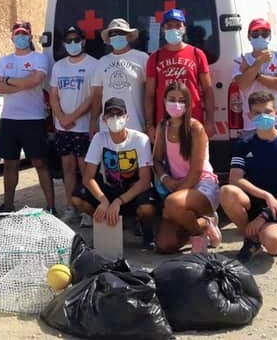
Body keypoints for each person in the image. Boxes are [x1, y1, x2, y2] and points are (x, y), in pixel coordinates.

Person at [220, 91, 277, 262]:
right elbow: (235, 179)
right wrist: (266, 196)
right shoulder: (243, 145)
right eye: (257, 113)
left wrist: (264, 216)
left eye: (267, 112)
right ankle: (251, 239)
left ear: (276, 113)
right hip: (255, 204)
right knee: (227, 191)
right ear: (250, 115)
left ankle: (273, 236)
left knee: (273, 242)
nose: (263, 116)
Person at [0, 20, 55, 217]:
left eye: (24, 33)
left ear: (30, 36)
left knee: (39, 163)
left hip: (33, 119)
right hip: (10, 119)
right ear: (12, 37)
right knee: (10, 164)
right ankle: (8, 205)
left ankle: (51, 206)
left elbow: (35, 81)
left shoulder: (39, 58)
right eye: (17, 33)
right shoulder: (4, 60)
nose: (20, 37)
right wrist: (23, 83)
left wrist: (8, 80)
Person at [72, 97, 157, 248]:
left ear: (127, 117)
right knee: (78, 198)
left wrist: (119, 200)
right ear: (104, 119)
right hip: (109, 189)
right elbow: (88, 177)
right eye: (110, 115)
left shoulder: (140, 140)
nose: (115, 118)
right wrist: (103, 200)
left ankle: (146, 230)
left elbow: (145, 180)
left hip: (132, 192)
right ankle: (106, 224)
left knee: (147, 207)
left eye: (119, 114)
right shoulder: (99, 138)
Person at [152, 82, 221, 254]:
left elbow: (196, 171)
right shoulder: (163, 127)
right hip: (176, 187)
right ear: (164, 100)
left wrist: (174, 195)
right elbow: (157, 160)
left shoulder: (195, 128)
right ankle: (205, 223)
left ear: (188, 104)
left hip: (202, 185)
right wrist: (165, 179)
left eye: (181, 100)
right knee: (164, 244)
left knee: (172, 203)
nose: (176, 104)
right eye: (172, 99)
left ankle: (199, 236)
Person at [49, 25, 98, 225]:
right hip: (63, 128)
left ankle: (87, 208)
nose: (72, 44)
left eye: (75, 40)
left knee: (85, 169)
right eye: (68, 41)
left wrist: (73, 117)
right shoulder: (59, 66)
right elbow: (53, 95)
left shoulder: (94, 64)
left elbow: (92, 97)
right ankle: (71, 208)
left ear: (83, 41)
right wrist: (61, 117)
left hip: (82, 126)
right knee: (67, 168)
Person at [145, 9, 216, 142]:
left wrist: (210, 120)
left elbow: (208, 89)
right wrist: (150, 125)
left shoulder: (197, 54)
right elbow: (149, 94)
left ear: (184, 28)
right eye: (169, 26)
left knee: (196, 161)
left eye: (178, 25)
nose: (173, 29)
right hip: (165, 123)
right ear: (162, 29)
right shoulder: (155, 58)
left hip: (193, 121)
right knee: (168, 162)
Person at [232, 19, 277, 142]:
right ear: (249, 36)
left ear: (269, 36)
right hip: (253, 122)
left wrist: (252, 72)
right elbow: (243, 85)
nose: (260, 37)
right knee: (257, 161)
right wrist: (259, 62)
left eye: (264, 34)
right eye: (255, 34)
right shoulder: (240, 60)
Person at [89, 18, 148, 137]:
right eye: (113, 33)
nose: (117, 36)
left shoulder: (142, 58)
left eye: (121, 33)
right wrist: (93, 121)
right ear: (109, 38)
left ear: (128, 36)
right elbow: (97, 95)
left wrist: (149, 123)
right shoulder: (102, 62)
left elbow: (149, 93)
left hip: (136, 126)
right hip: (108, 127)